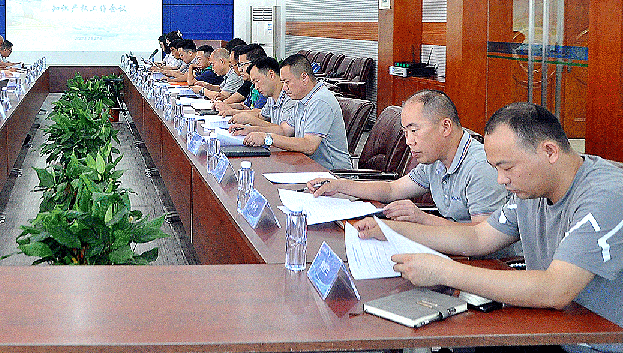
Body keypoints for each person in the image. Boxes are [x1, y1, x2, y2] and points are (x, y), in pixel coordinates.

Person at [355, 103, 623, 348]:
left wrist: (444, 272)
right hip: (556, 330)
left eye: (507, 168)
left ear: (550, 151)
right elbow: (477, 237)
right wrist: (390, 230)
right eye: (496, 168)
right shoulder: (533, 189)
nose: (500, 180)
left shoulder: (607, 194)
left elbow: (556, 289)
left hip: (600, 342)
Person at [307, 90, 511, 228]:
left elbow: (481, 236)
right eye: (405, 132)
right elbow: (392, 190)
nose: (408, 141)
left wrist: (422, 219)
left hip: (489, 266)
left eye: (414, 130)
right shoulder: (435, 159)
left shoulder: (480, 167)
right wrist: (340, 185)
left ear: (445, 127)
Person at [241, 54, 351, 170]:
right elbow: (284, 131)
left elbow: (309, 145)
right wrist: (250, 130)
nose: (284, 88)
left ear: (304, 78)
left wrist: (268, 139)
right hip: (306, 165)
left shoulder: (320, 101)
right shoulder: (301, 99)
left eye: (287, 82)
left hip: (331, 172)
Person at [228, 56, 294, 132]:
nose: (256, 87)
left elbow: (284, 131)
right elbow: (261, 115)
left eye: (257, 81)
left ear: (271, 75)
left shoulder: (290, 96)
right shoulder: (271, 97)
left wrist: (250, 121)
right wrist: (234, 112)